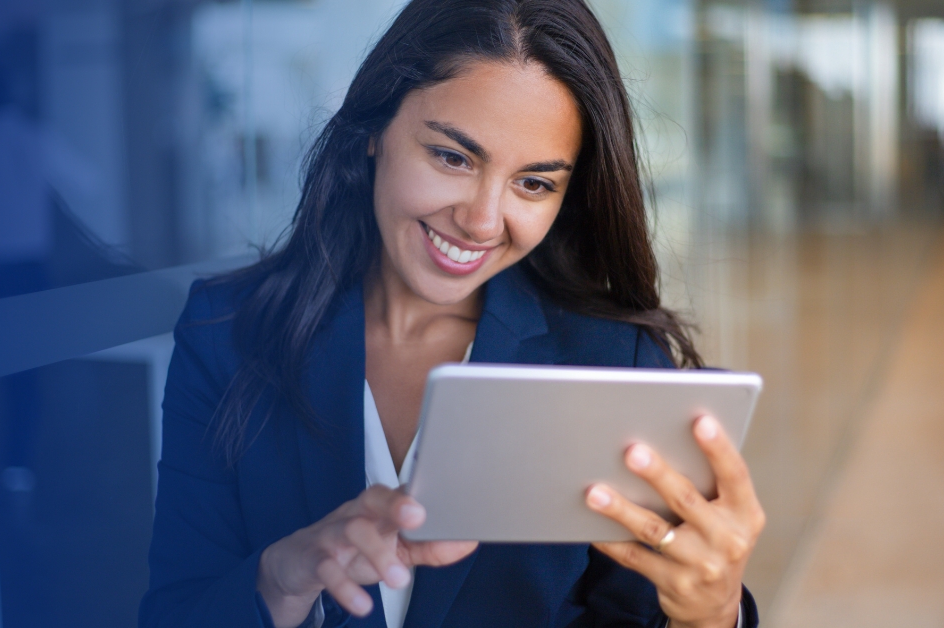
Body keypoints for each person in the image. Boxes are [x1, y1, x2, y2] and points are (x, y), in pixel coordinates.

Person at [139, 1, 765, 627]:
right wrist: (279, 578)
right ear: (373, 130)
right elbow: (176, 612)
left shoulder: (610, 362)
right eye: (453, 157)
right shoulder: (227, 335)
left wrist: (711, 616)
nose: (483, 222)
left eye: (534, 184)